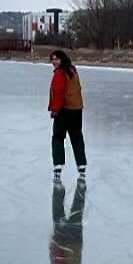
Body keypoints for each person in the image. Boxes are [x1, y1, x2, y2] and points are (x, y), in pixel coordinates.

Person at [47, 49, 86, 181]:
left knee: (58, 137)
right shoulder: (73, 70)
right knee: (77, 138)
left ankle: (58, 165)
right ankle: (81, 165)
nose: (54, 62)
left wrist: (55, 110)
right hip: (77, 110)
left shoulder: (60, 73)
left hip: (64, 110)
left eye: (56, 59)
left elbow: (58, 92)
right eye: (52, 59)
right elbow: (77, 89)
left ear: (62, 59)